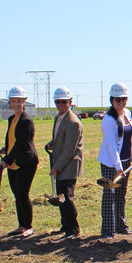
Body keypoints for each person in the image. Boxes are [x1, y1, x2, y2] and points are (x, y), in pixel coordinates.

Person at [98, 82, 132, 238]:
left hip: (125, 161)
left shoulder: (127, 114)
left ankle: (121, 226)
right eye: (118, 99)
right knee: (110, 195)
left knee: (121, 194)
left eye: (124, 99)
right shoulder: (108, 120)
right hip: (111, 163)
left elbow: (130, 139)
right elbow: (111, 146)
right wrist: (118, 167)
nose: (121, 102)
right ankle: (108, 231)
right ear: (112, 100)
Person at [0, 86, 39, 237]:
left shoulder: (26, 120)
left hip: (26, 162)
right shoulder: (12, 119)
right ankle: (21, 225)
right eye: (13, 101)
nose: (16, 104)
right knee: (17, 195)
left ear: (24, 102)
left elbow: (22, 143)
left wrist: (6, 160)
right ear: (10, 103)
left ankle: (28, 226)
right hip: (14, 162)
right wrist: (6, 149)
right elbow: (13, 139)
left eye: (19, 101)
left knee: (23, 194)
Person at [46, 87, 84, 240]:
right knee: (61, 195)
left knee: (67, 198)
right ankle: (65, 226)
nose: (60, 104)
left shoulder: (73, 122)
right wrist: (52, 143)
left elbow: (69, 150)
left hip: (69, 164)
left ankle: (73, 230)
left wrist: (56, 168)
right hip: (61, 161)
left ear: (70, 102)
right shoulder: (59, 118)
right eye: (58, 102)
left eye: (64, 102)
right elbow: (61, 138)